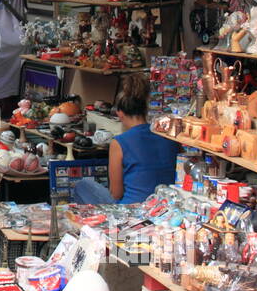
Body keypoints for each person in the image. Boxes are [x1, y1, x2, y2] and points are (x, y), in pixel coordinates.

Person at [71, 75, 178, 205]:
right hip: (165, 206)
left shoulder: (120, 142)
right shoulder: (168, 136)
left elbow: (116, 193)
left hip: (133, 210)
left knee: (82, 185)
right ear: (145, 110)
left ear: (120, 113)